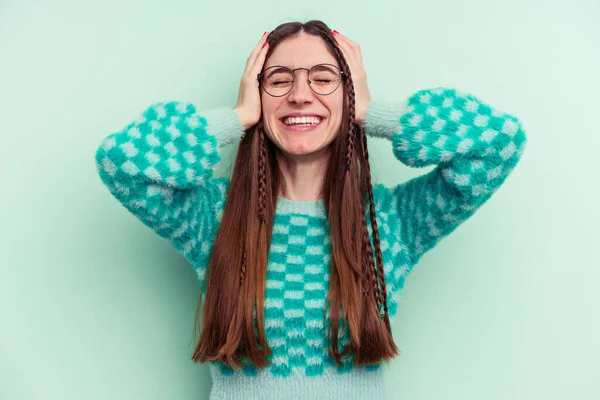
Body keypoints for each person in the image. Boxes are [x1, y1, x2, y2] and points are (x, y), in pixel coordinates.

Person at [95, 20, 527, 400]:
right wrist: (239, 116)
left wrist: (372, 113)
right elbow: (119, 162)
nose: (300, 95)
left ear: (348, 92)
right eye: (279, 80)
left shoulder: (392, 222)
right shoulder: (212, 217)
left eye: (323, 79)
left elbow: (499, 142)